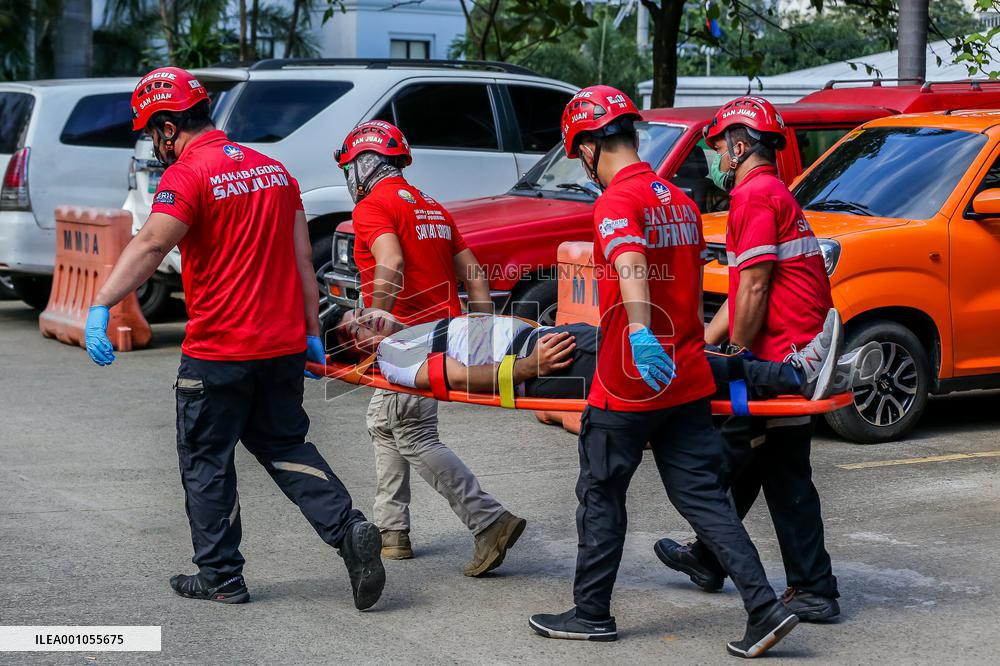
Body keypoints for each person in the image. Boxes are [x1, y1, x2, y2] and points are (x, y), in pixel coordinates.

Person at [82, 67, 384, 610]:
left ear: (170, 127)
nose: (156, 145)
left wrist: (102, 302)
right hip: (283, 346)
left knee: (206, 458)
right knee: (285, 444)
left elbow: (152, 245)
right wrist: (312, 334)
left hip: (219, 351)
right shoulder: (274, 171)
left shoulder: (188, 176)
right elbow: (301, 264)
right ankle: (349, 529)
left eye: (155, 133)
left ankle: (221, 576)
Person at [522, 85, 799, 658]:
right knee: (705, 501)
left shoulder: (616, 202)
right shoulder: (679, 199)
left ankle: (591, 612)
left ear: (592, 147)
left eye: (581, 154)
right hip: (688, 376)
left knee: (601, 491)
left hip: (629, 380)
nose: (584, 165)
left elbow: (629, 262)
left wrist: (642, 333)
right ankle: (765, 608)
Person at [654, 96, 843, 623]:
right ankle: (711, 556)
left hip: (783, 359)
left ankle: (813, 588)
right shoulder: (770, 193)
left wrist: (732, 357)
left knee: (758, 466)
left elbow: (756, 288)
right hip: (782, 350)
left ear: (738, 147)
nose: (714, 157)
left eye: (717, 147)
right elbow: (743, 295)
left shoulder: (755, 196)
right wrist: (702, 343)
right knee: (745, 457)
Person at [335, 121, 526, 575]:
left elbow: (391, 261)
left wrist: (376, 318)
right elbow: (474, 274)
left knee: (414, 435)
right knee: (383, 423)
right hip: (443, 333)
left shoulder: (372, 208)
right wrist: (482, 335)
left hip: (407, 340)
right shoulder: (432, 207)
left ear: (363, 165)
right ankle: (392, 531)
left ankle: (489, 521)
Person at [324, 307, 883, 404]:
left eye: (363, 313)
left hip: (549, 343)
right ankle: (796, 373)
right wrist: (527, 368)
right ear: (361, 350)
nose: (372, 320)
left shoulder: (411, 328)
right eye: (361, 329)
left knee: (675, 365)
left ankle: (809, 376)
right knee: (674, 369)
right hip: (543, 362)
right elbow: (449, 378)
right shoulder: (395, 354)